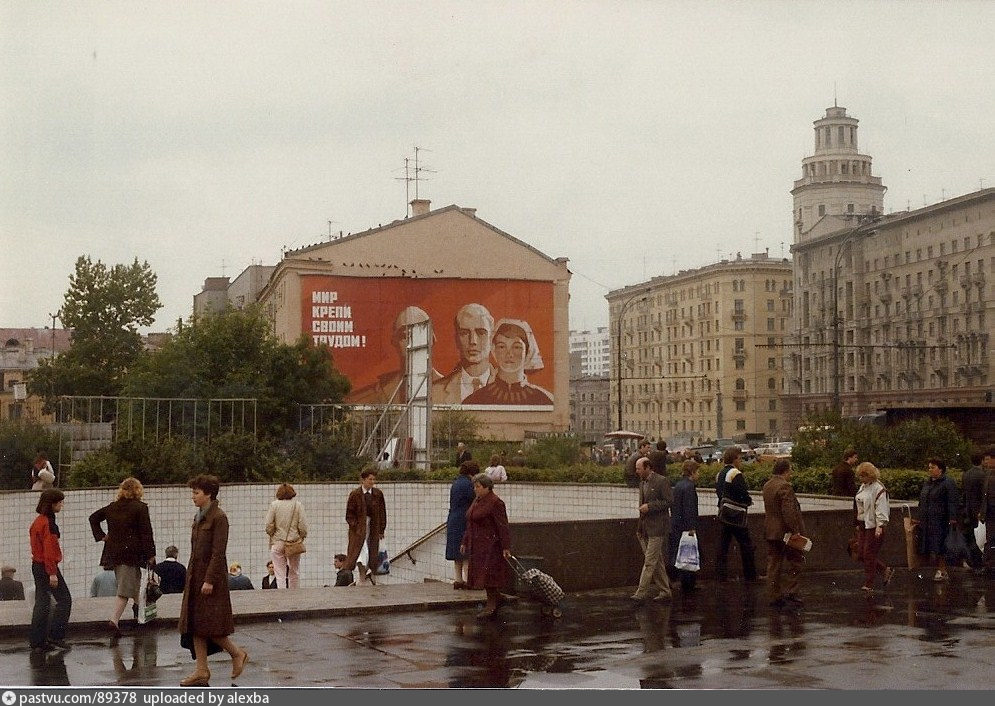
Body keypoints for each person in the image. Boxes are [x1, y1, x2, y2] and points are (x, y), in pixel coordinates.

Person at [178, 474, 249, 687]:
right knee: (195, 625)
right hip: (195, 578)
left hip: (211, 580)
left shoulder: (219, 517)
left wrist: (209, 580)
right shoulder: (199, 516)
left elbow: (219, 553)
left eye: (196, 493)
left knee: (210, 626)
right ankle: (201, 671)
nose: (193, 496)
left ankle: (237, 653)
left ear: (208, 494)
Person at [88, 477, 157, 636]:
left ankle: (141, 619)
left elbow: (93, 518)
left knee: (136, 585)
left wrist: (102, 536)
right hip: (133, 554)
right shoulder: (140, 508)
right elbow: (146, 533)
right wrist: (151, 554)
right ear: (138, 490)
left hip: (114, 553)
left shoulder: (112, 507)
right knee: (125, 590)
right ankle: (114, 621)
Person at [348, 305, 441, 404]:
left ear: (432, 339)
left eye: (418, 334)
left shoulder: (448, 387)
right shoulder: (378, 392)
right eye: (404, 336)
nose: (412, 342)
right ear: (395, 342)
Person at [463, 318, 553, 405]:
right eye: (502, 347)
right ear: (494, 351)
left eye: (516, 347)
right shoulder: (475, 400)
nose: (509, 354)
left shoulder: (544, 399)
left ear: (528, 352)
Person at [460, 473, 512, 619]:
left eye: (478, 487)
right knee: (482, 575)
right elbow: (470, 522)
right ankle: (497, 599)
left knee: (489, 576)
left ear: (487, 487)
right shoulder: (477, 500)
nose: (475, 489)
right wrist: (465, 541)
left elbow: (503, 526)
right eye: (474, 487)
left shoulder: (495, 502)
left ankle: (491, 605)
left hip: (491, 546)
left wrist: (506, 547)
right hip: (477, 545)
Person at [29, 488, 72, 652]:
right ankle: (56, 636)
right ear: (52, 504)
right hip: (47, 566)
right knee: (64, 599)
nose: (61, 505)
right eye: (60, 502)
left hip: (37, 565)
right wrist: (52, 572)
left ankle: (37, 642)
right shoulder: (49, 524)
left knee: (42, 602)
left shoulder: (38, 521)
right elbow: (50, 550)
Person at [762, 459, 806, 609]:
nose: (791, 474)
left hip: (770, 531)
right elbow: (788, 512)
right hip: (785, 533)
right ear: (785, 471)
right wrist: (795, 531)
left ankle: (774, 595)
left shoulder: (767, 485)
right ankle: (792, 593)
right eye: (790, 471)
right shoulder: (785, 486)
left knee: (773, 564)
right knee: (795, 562)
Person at [631, 452, 673, 603]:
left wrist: (650, 506)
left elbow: (669, 501)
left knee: (650, 562)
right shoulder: (642, 483)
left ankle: (640, 593)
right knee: (657, 561)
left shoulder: (662, 481)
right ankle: (665, 591)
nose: (637, 471)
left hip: (657, 528)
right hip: (645, 529)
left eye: (639, 468)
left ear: (648, 467)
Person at [434, 303, 496, 403]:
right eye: (464, 333)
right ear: (457, 340)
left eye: (481, 333)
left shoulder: (509, 390)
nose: (473, 341)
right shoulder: (436, 392)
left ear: (492, 339)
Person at [715, 446, 759, 583]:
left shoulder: (720, 473)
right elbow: (742, 493)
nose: (740, 461)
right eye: (739, 458)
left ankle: (721, 576)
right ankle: (750, 575)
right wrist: (748, 501)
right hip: (736, 515)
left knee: (723, 546)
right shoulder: (735, 473)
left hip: (723, 513)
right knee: (746, 545)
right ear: (735, 459)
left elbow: (719, 493)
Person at [917, 458, 960, 582]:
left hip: (941, 520)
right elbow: (923, 500)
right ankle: (940, 569)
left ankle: (942, 570)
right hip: (928, 519)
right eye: (929, 467)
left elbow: (953, 500)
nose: (930, 470)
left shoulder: (947, 483)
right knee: (932, 545)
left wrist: (952, 517)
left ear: (940, 469)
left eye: (933, 467)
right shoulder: (928, 483)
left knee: (940, 545)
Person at [854, 462, 894, 592]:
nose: (861, 479)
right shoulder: (863, 487)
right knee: (861, 553)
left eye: (863, 476)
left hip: (873, 525)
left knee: (868, 554)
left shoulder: (878, 489)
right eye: (860, 476)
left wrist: (880, 525)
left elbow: (881, 508)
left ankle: (869, 583)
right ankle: (884, 570)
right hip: (863, 523)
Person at [346, 469, 388, 585]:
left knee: (372, 551)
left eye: (374, 479)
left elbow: (382, 512)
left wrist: (381, 529)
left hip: (373, 527)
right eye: (370, 479)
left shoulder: (378, 494)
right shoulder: (355, 494)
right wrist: (356, 526)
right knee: (360, 552)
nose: (372, 482)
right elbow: (349, 514)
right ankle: (362, 576)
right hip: (359, 530)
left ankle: (371, 575)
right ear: (363, 480)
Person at [265, 483, 308, 589]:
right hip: (294, 542)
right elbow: (303, 526)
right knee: (294, 571)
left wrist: (273, 535)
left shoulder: (274, 505)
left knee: (279, 573)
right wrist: (301, 536)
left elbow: (268, 525)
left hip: (278, 541)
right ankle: (294, 594)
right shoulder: (298, 505)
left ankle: (282, 595)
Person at [669, 459, 700, 592]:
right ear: (692, 472)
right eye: (697, 471)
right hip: (686, 527)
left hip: (676, 524)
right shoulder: (689, 487)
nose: (699, 474)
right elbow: (689, 508)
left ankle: (677, 580)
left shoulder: (678, 485)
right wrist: (691, 527)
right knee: (689, 555)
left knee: (679, 553)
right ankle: (688, 584)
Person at [446, 460, 478, 589]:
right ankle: (469, 580)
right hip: (464, 520)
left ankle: (458, 580)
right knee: (466, 553)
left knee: (456, 552)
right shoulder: (469, 485)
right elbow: (475, 500)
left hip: (453, 518)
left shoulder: (456, 483)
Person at [960, 452, 987, 571]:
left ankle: (973, 561)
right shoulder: (983, 475)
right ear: (982, 461)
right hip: (979, 512)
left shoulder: (966, 474)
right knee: (981, 538)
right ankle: (980, 562)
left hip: (968, 511)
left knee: (972, 537)